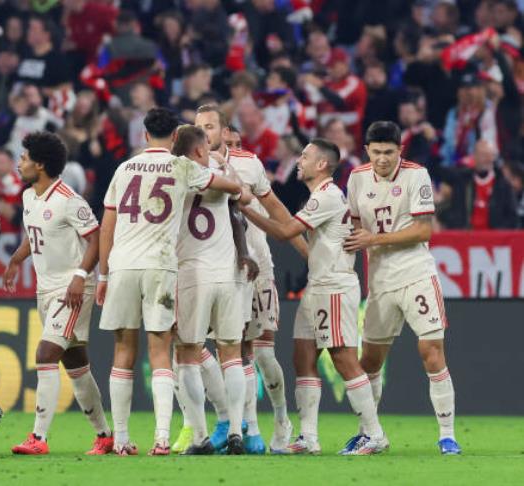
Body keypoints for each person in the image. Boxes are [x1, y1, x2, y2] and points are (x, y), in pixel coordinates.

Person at [97, 107, 244, 456]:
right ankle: (162, 438)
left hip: (122, 264)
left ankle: (120, 439)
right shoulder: (183, 166)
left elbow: (107, 226)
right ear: (176, 137)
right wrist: (232, 185)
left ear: (144, 135)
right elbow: (230, 187)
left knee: (122, 351)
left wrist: (103, 273)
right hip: (161, 265)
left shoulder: (124, 168)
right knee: (161, 351)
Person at [241, 138, 389, 456]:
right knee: (303, 357)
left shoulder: (328, 197)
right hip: (318, 286)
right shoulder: (320, 197)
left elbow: (284, 232)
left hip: (334, 287)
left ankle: (374, 434)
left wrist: (245, 206)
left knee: (343, 358)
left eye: (305, 156)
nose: (299, 161)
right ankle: (308, 437)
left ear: (322, 164)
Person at [344, 121, 462, 455]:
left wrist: (374, 239)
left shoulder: (416, 175)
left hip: (416, 275)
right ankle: (369, 432)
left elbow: (424, 231)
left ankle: (447, 434)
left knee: (431, 352)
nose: (383, 159)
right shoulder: (356, 178)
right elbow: (355, 229)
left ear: (400, 151)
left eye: (389, 152)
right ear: (367, 150)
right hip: (380, 281)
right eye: (377, 152)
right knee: (369, 362)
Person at [195, 104, 305, 454]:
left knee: (263, 354)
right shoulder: (190, 166)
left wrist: (307, 252)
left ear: (226, 132)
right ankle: (242, 428)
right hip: (219, 271)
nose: (204, 133)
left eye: (210, 126)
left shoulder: (249, 164)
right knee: (231, 350)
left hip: (258, 267)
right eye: (199, 127)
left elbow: (277, 211)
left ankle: (281, 416)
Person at [3, 131, 113, 456]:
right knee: (77, 365)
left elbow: (95, 238)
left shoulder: (68, 199)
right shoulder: (28, 197)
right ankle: (105, 436)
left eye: (24, 158)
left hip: (72, 288)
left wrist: (81, 276)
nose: (19, 162)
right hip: (46, 288)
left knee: (45, 353)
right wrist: (15, 259)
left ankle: (38, 438)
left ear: (39, 164)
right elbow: (34, 236)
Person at [172, 125, 256, 455]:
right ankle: (236, 430)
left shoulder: (172, 174)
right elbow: (243, 200)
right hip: (228, 272)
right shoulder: (219, 173)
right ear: (198, 151)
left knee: (187, 355)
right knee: (231, 352)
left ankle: (201, 437)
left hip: (192, 272)